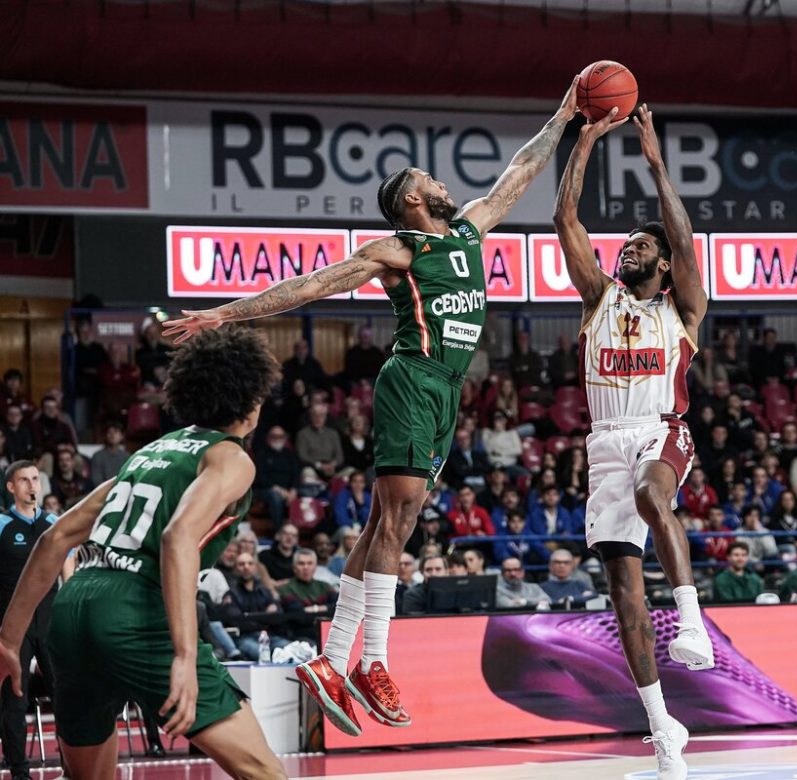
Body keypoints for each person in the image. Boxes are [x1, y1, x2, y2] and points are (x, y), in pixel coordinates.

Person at [163, 81, 578, 737]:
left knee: (388, 523)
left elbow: (517, 174)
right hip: (411, 379)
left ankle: (332, 661)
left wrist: (562, 117)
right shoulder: (399, 250)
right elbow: (313, 284)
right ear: (414, 199)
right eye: (430, 179)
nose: (444, 184)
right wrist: (225, 313)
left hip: (446, 391)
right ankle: (373, 662)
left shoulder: (468, 230)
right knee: (399, 519)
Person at [0, 327, 286, 779]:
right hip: (134, 610)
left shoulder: (148, 453)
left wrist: (8, 641)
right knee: (264, 771)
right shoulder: (231, 457)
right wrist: (186, 657)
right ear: (251, 401)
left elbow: (54, 539)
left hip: (73, 613)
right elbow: (177, 538)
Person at [554, 103, 712, 780]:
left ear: (665, 266)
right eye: (629, 244)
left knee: (656, 495)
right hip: (604, 443)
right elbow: (567, 221)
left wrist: (654, 164)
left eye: (643, 246)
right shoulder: (599, 298)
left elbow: (685, 242)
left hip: (660, 430)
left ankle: (693, 620)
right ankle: (661, 728)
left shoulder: (683, 308)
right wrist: (585, 141)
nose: (630, 247)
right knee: (623, 595)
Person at [0, 461, 63, 780]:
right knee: (15, 698)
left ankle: (72, 764)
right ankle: (19, 771)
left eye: (36, 479)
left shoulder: (54, 523)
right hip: (13, 626)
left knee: (64, 694)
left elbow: (71, 573)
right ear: (11, 487)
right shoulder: (0, 524)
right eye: (23, 480)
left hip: (51, 621)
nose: (32, 485)